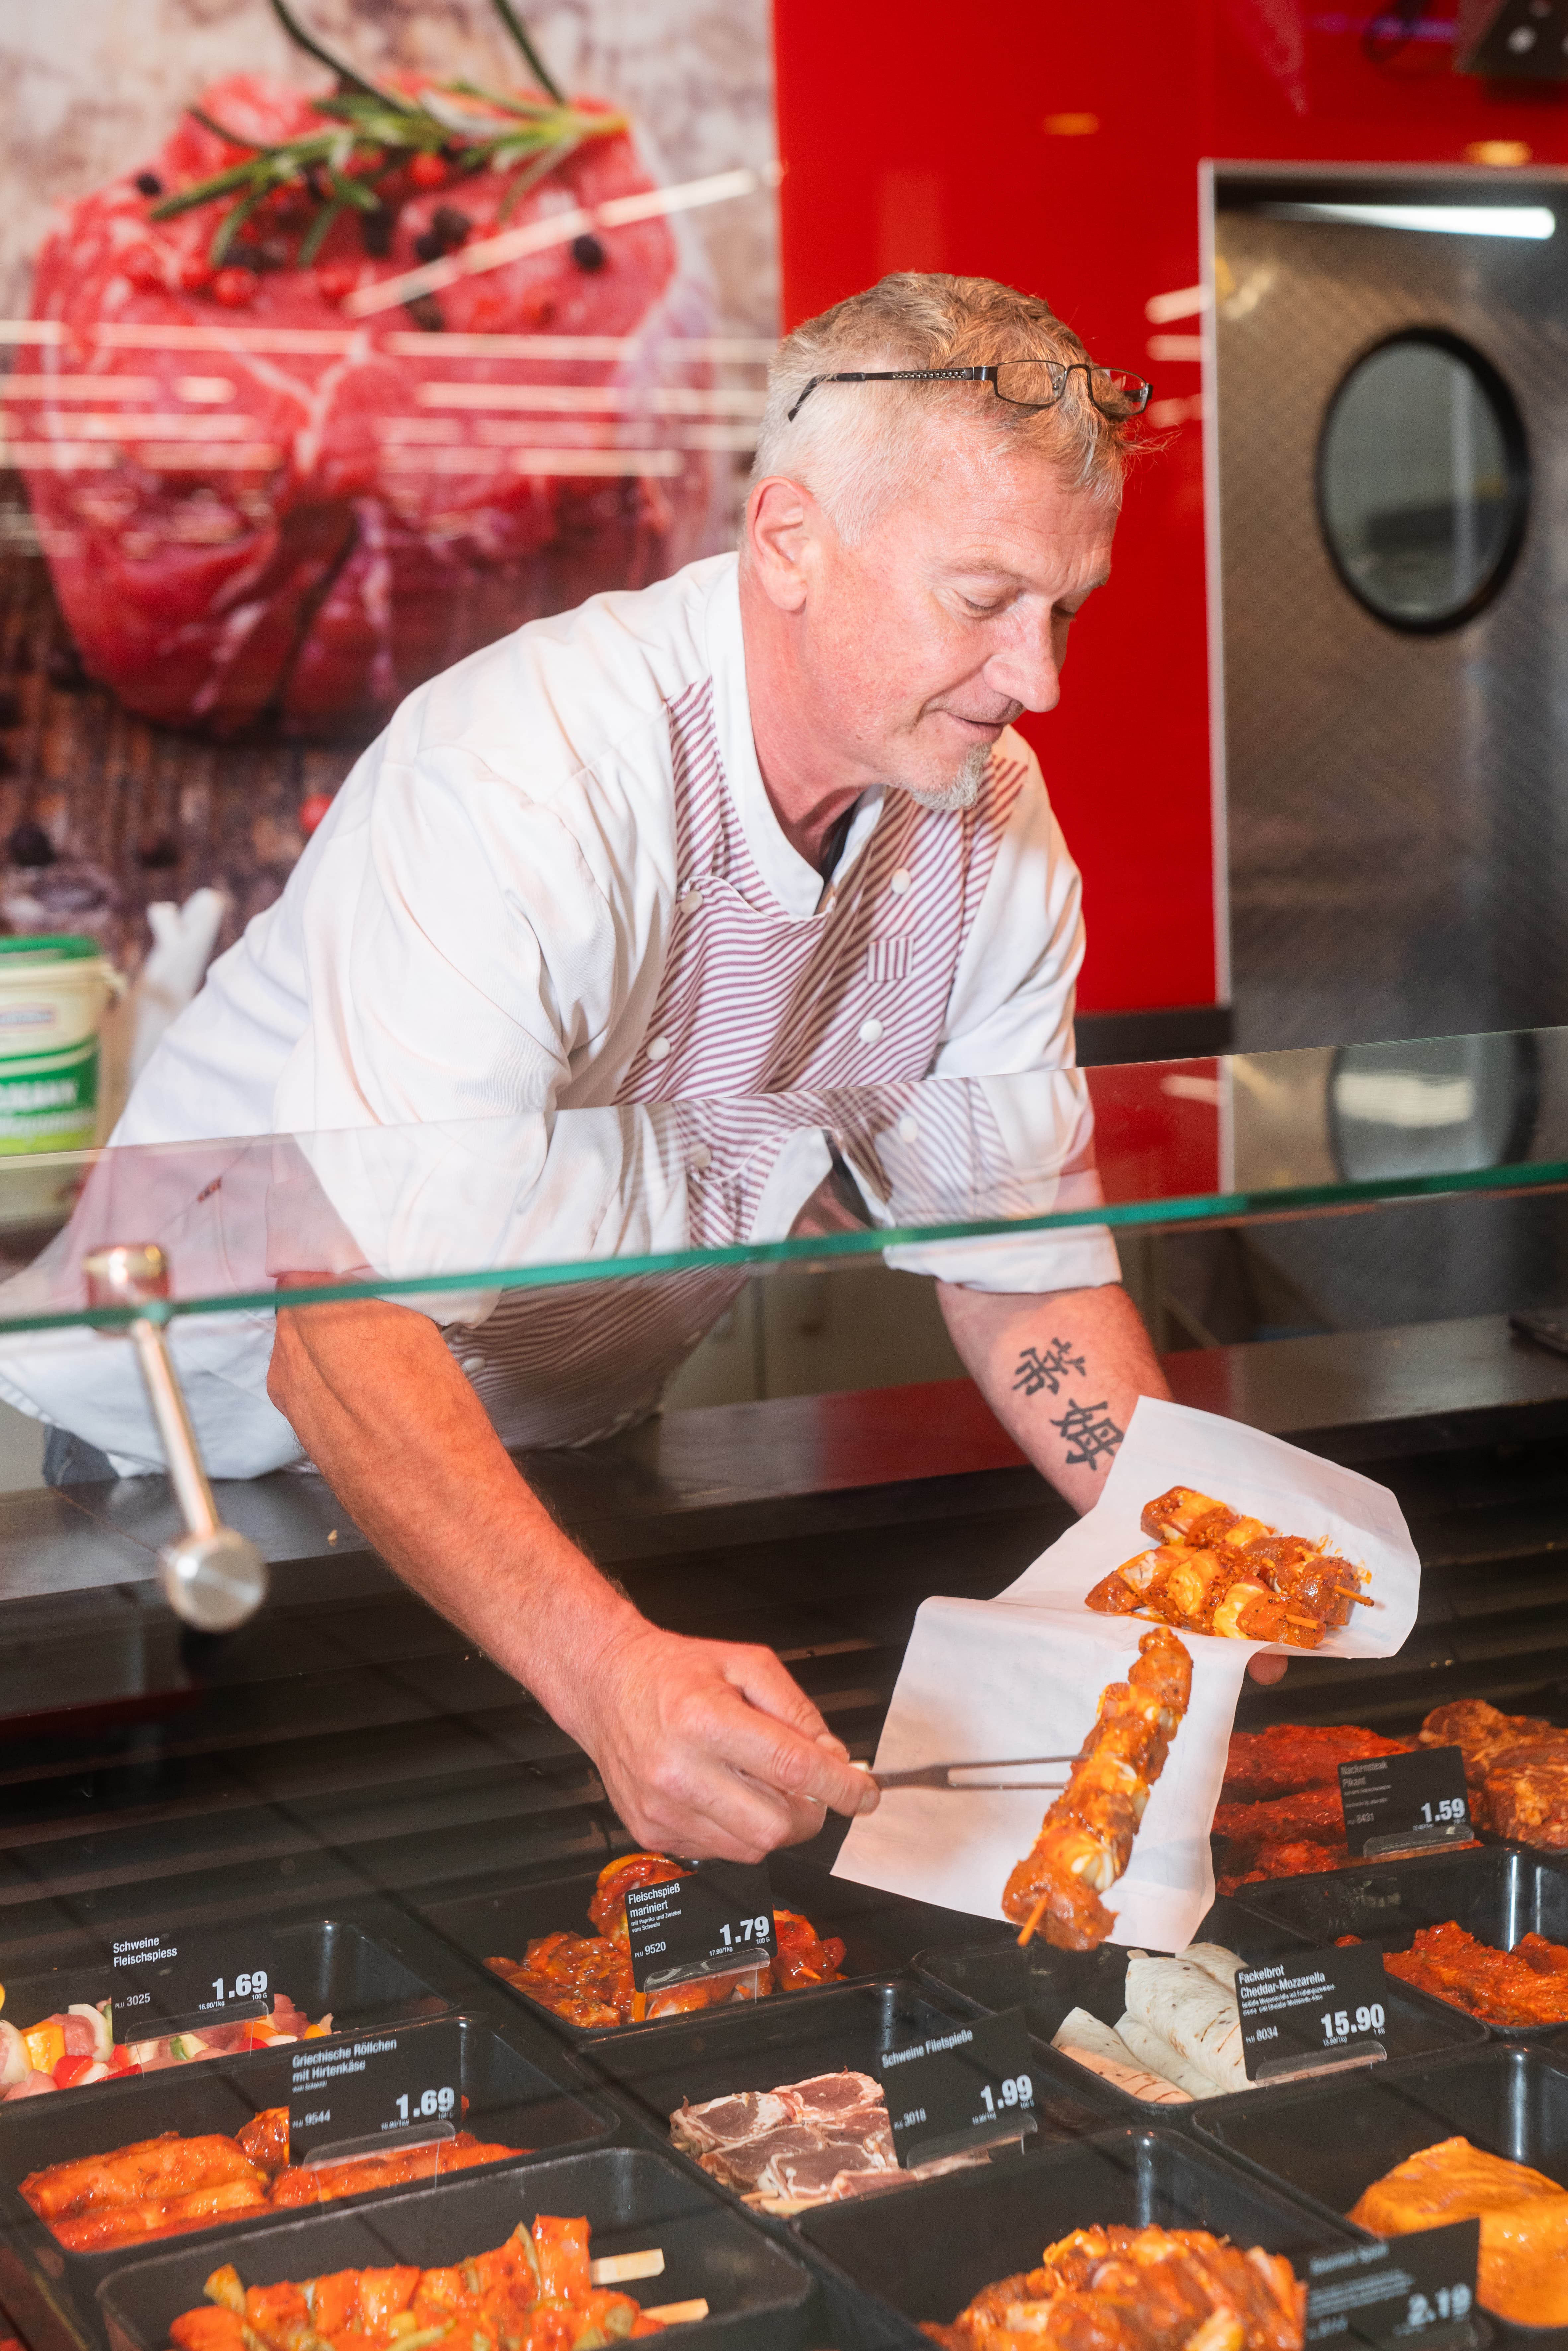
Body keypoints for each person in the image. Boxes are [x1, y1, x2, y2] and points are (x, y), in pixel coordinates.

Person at [0, 272, 1276, 1855]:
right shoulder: (526, 778)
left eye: (1061, 607)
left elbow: (1015, 1267)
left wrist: (1182, 1543)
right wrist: (609, 1676)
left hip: (532, 1488)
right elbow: (329, 1329)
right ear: (789, 542)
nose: (1041, 680)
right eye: (981, 600)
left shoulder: (990, 829)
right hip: (166, 1491)